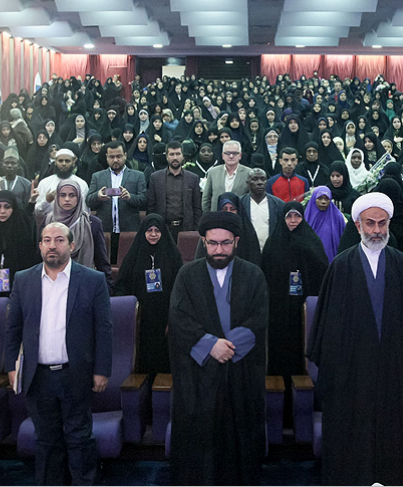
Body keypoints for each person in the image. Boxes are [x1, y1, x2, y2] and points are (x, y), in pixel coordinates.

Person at [308, 192, 403, 485]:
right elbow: (328, 331)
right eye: (370, 224)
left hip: (395, 375)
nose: (377, 231)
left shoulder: (402, 264)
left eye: (382, 224)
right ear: (357, 225)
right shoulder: (341, 266)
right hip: (352, 377)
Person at [4, 222, 113, 486]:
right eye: (47, 240)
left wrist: (102, 370)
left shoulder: (92, 280)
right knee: (46, 441)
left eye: (59, 240)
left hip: (75, 373)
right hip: (37, 376)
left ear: (72, 246)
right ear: (40, 245)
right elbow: (13, 327)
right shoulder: (24, 279)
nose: (52, 245)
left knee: (79, 439)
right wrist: (10, 366)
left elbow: (104, 329)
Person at [168, 211, 269, 485]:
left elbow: (258, 318)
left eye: (225, 243)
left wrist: (230, 347)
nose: (219, 250)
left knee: (240, 438)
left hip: (241, 370)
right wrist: (211, 345)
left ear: (236, 241)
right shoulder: (187, 275)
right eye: (212, 243)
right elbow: (178, 318)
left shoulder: (253, 274)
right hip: (200, 373)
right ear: (203, 241)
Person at [260, 202, 329, 376]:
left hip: (303, 308)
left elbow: (321, 272)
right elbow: (265, 273)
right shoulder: (273, 243)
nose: (293, 221)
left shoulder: (312, 241)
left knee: (302, 343)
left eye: (297, 216)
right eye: (289, 216)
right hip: (278, 308)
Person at [114, 214, 183, 375]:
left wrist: (174, 317)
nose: (153, 234)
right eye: (149, 230)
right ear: (143, 232)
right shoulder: (133, 255)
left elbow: (180, 288)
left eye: (157, 230)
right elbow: (121, 285)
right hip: (140, 320)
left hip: (165, 318)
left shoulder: (172, 255)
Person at [47, 178, 113, 291]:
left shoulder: (92, 223)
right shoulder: (48, 222)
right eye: (62, 195)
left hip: (85, 285)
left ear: (79, 198)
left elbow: (101, 261)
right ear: (57, 198)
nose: (67, 199)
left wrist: (108, 289)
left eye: (72, 195)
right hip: (53, 285)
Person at [87, 142, 148, 262]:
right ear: (106, 157)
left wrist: (130, 197)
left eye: (119, 156)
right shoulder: (97, 176)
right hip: (105, 229)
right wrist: (98, 196)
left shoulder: (138, 176)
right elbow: (88, 200)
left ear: (125, 155)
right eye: (111, 157)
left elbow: (144, 200)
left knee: (129, 263)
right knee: (106, 262)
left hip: (129, 229)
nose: (115, 160)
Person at [147, 141, 203, 242]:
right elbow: (151, 207)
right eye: (171, 154)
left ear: (183, 156)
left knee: (186, 257)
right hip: (163, 228)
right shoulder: (155, 178)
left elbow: (197, 207)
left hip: (186, 228)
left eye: (178, 154)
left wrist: (196, 230)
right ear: (167, 156)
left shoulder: (193, 178)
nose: (175, 158)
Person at [35, 149, 90, 226]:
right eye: (60, 161)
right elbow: (38, 212)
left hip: (74, 226)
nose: (64, 164)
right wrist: (47, 201)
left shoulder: (81, 184)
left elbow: (85, 211)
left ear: (73, 163)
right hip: (50, 226)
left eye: (67, 161)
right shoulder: (45, 183)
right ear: (55, 163)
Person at [239, 167, 284, 251]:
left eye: (263, 179)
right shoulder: (239, 203)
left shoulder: (279, 204)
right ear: (248, 183)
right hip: (247, 251)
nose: (259, 183)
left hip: (271, 251)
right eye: (255, 179)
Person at [202, 140, 251, 212]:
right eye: (227, 153)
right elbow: (206, 198)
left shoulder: (249, 173)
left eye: (235, 153)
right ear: (222, 155)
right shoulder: (213, 172)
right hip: (216, 217)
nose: (231, 156)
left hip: (240, 218)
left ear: (240, 155)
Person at [304, 185, 347, 262]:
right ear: (314, 199)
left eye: (326, 199)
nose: (323, 202)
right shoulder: (307, 216)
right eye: (320, 198)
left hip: (333, 260)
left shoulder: (337, 217)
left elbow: (344, 240)